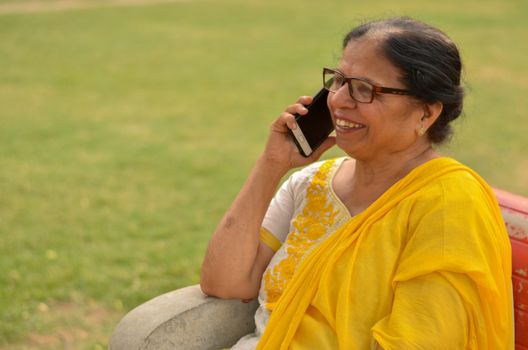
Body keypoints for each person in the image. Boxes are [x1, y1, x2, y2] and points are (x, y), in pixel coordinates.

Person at [200, 17, 513, 349]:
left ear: (425, 113)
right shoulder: (311, 184)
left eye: (365, 89)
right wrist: (270, 166)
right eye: (338, 80)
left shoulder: (448, 203)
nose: (338, 100)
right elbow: (226, 283)